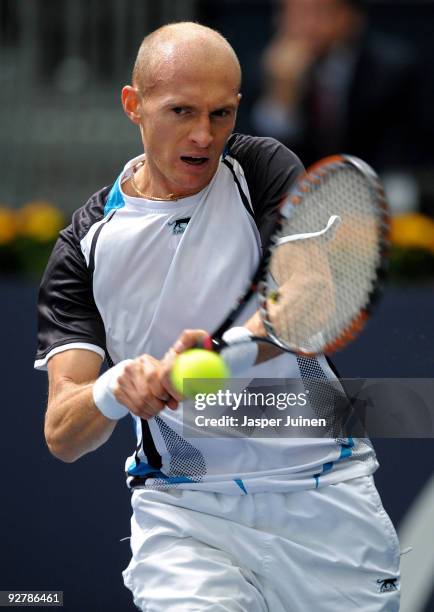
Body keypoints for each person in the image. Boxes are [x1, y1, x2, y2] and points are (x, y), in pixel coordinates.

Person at [35, 22, 400, 611]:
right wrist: (115, 386)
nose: (205, 136)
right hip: (185, 513)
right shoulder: (85, 245)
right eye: (181, 111)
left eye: (222, 114)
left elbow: (305, 302)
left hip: (324, 496)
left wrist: (213, 358)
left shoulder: (259, 169)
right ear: (134, 105)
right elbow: (63, 432)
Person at [251, 0, 420, 173]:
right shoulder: (266, 69)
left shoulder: (392, 70)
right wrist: (282, 98)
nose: (304, 25)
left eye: (317, 12)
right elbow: (265, 167)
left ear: (352, 17)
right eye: (291, 13)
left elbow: (403, 153)